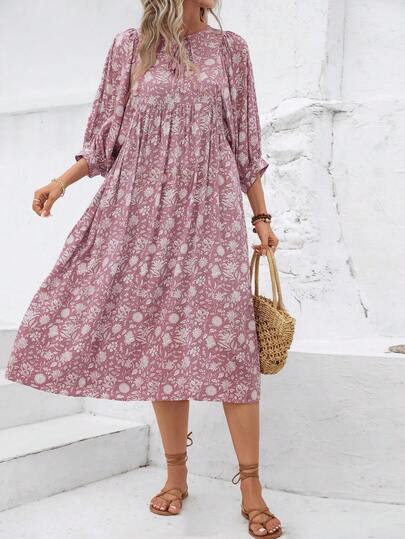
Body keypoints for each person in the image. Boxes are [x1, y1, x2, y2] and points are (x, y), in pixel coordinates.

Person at [5, 1, 282, 537]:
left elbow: (245, 142)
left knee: (230, 347)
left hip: (208, 215)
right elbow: (105, 139)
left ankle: (251, 487)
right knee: (162, 345)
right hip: (140, 213)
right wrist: (60, 183)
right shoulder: (130, 47)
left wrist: (261, 217)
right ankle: (176, 476)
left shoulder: (231, 50)